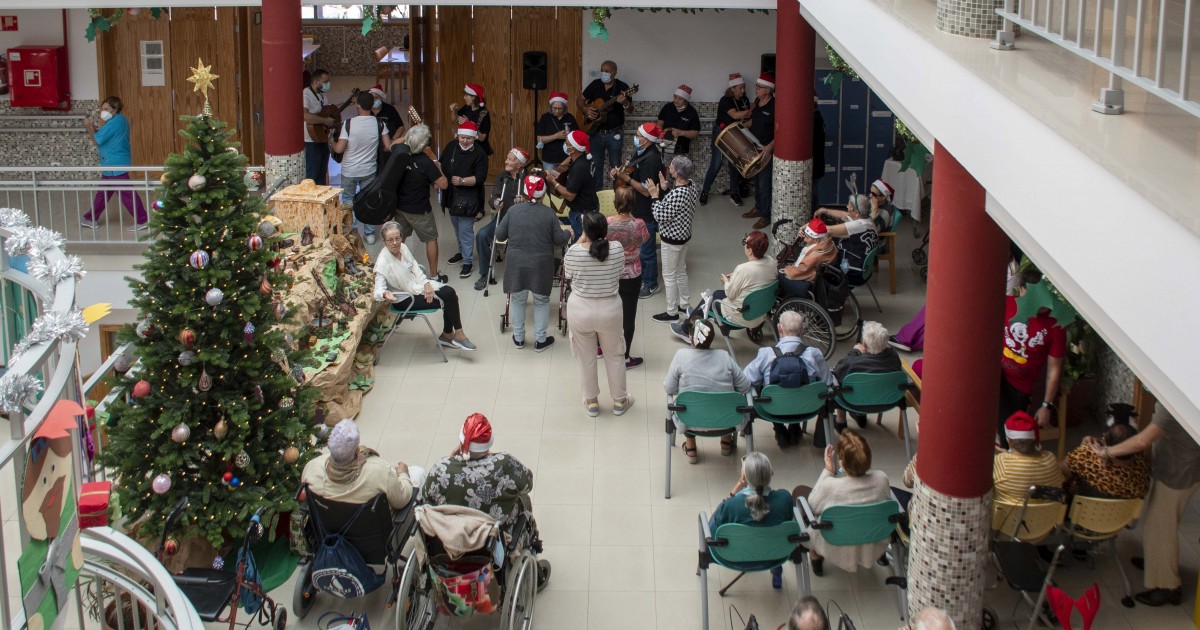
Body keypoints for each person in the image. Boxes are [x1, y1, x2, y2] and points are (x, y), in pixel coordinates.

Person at [423, 413, 551, 590]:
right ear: (489, 443)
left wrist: (453, 460)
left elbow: (426, 499)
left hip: (448, 537)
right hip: (489, 538)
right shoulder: (504, 464)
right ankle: (532, 552)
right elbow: (527, 484)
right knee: (523, 500)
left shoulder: (441, 468)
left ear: (461, 442)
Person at [1091, 403, 1200, 606]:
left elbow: (1142, 441)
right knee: (1158, 525)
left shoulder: (1172, 402)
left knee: (1159, 529)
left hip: (1178, 475)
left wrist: (1107, 452)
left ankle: (1168, 586)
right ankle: (1156, 563)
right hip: (1183, 466)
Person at [793, 430, 892, 575]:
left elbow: (813, 504)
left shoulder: (832, 487)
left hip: (833, 545)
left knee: (800, 492)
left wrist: (827, 471)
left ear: (841, 462)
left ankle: (815, 555)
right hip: (872, 541)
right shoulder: (882, 479)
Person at [564, 212, 632, 418]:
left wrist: (581, 240)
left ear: (585, 230)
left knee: (585, 357)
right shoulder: (618, 250)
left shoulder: (574, 252)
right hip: (610, 309)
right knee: (615, 356)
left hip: (580, 310)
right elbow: (620, 271)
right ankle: (620, 400)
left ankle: (591, 402)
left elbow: (568, 276)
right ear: (606, 230)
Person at [495, 174, 571, 352]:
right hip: (541, 264)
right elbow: (559, 239)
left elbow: (499, 235)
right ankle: (540, 340)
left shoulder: (513, 211)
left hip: (516, 264)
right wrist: (570, 234)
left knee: (518, 300)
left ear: (524, 193)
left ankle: (519, 338)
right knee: (541, 301)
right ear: (543, 195)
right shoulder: (549, 213)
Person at [373, 221, 476, 351]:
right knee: (448, 298)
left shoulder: (403, 248)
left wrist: (426, 283)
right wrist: (384, 293)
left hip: (417, 286)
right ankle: (454, 335)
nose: (395, 243)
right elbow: (378, 290)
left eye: (397, 238)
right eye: (390, 240)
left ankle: (449, 334)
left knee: (449, 292)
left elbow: (415, 267)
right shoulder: (383, 261)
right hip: (405, 299)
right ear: (384, 241)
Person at [664, 319, 752, 463]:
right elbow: (745, 386)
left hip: (690, 421)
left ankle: (691, 448)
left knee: (687, 403)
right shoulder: (724, 356)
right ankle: (725, 443)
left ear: (691, 338)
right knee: (721, 397)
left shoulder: (681, 356)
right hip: (727, 421)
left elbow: (669, 388)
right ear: (711, 339)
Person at [743, 310, 834, 448]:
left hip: (773, 409)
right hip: (807, 408)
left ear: (779, 328)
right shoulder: (814, 354)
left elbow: (746, 379)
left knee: (764, 386)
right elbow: (828, 382)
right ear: (802, 329)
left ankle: (779, 429)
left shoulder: (766, 354)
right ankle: (795, 426)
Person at [999, 268, 1066, 447]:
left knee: (1009, 434)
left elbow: (1054, 369)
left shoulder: (1055, 324)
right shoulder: (1007, 304)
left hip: (1019, 387)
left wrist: (1046, 406)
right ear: (1021, 290)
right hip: (996, 374)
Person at [710, 452, 795, 589]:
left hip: (733, 558)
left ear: (745, 477)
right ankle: (777, 571)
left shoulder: (731, 506)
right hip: (774, 556)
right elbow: (789, 519)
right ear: (771, 473)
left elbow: (718, 520)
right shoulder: (784, 498)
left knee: (712, 520)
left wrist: (737, 486)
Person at [672, 230, 776, 341]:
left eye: (745, 243)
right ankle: (695, 314)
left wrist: (726, 281)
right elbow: (755, 280)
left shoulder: (743, 269)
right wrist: (736, 276)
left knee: (711, 298)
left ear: (749, 250)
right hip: (760, 313)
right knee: (716, 295)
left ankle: (686, 330)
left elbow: (730, 294)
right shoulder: (771, 262)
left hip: (741, 317)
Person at [300, 419, 414, 510]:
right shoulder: (380, 472)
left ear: (330, 447)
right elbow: (402, 500)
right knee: (417, 472)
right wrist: (403, 474)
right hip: (373, 534)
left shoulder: (311, 468)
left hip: (329, 532)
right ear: (356, 451)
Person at [609, 123, 666, 299]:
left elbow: (647, 190)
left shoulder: (651, 159)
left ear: (647, 139)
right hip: (639, 207)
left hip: (648, 211)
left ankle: (651, 284)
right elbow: (633, 172)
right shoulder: (641, 152)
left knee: (647, 251)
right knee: (643, 248)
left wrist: (626, 179)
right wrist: (619, 173)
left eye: (638, 135)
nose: (635, 137)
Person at [332, 91, 393, 245]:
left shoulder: (349, 124)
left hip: (349, 171)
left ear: (357, 105)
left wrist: (330, 142)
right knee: (369, 201)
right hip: (369, 171)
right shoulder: (380, 124)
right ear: (372, 105)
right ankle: (370, 233)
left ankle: (352, 232)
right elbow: (388, 146)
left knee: (347, 200)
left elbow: (339, 149)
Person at [82, 96, 148, 231]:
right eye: (102, 109)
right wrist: (94, 129)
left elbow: (97, 140)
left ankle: (143, 219)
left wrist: (89, 127)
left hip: (114, 165)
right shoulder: (120, 120)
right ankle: (90, 218)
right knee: (103, 194)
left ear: (115, 109)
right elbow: (104, 136)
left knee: (127, 195)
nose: (103, 112)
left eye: (106, 109)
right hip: (112, 165)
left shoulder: (113, 122)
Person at [392, 124, 448, 283]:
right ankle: (434, 276)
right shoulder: (426, 162)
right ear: (424, 145)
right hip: (419, 209)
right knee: (431, 239)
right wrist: (438, 167)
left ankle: (396, 272)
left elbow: (393, 144)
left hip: (400, 207)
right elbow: (443, 184)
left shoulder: (400, 153)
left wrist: (408, 136)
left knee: (399, 239)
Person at [647, 156, 699, 324]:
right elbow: (675, 206)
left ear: (676, 173)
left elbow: (661, 216)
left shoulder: (678, 193)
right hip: (684, 237)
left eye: (671, 167)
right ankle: (684, 304)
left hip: (672, 239)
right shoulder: (692, 185)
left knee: (669, 276)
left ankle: (672, 312)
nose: (668, 167)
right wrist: (665, 189)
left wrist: (655, 196)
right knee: (681, 271)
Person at [605, 187, 649, 370]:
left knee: (608, 313)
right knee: (628, 316)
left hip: (610, 274)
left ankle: (602, 349)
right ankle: (625, 357)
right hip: (632, 275)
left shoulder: (607, 222)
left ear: (615, 203)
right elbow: (645, 240)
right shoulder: (639, 224)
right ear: (633, 204)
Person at [831, 321, 902, 431]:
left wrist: (854, 352)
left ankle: (841, 421)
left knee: (840, 383)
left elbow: (837, 372)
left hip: (853, 402)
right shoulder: (894, 358)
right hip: (887, 401)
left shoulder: (853, 363)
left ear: (864, 344)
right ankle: (860, 416)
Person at [440, 120, 489, 279]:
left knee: (466, 230)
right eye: (462, 137)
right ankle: (462, 253)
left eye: (468, 138)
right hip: (451, 195)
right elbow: (441, 165)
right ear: (458, 136)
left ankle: (468, 261)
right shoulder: (450, 147)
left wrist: (462, 181)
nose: (465, 141)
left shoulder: (480, 153)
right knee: (456, 226)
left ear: (474, 138)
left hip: (469, 198)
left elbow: (480, 178)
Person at [475, 147, 528, 291]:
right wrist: (495, 202)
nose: (506, 161)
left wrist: (526, 199)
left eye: (510, 159)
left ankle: (522, 275)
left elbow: (538, 200)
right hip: (503, 219)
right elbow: (493, 198)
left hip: (524, 223)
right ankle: (485, 274)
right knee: (482, 235)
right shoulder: (502, 177)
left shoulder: (528, 179)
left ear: (519, 164)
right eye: (507, 158)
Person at [579, 60, 634, 190]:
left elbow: (630, 109)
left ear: (614, 72)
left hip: (614, 134)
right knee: (596, 165)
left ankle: (617, 197)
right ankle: (597, 197)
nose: (603, 73)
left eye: (607, 71)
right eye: (602, 70)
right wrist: (586, 110)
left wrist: (625, 101)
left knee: (616, 166)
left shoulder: (623, 87)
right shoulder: (595, 84)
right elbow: (580, 100)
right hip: (596, 133)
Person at [700, 73, 752, 207]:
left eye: (743, 88)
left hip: (735, 132)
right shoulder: (725, 100)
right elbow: (735, 115)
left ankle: (735, 193)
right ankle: (705, 191)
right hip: (721, 132)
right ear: (732, 89)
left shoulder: (744, 100)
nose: (743, 91)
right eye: (740, 88)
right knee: (716, 163)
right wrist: (753, 111)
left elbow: (745, 120)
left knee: (735, 164)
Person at [1062, 422, 1149, 500]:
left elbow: (1062, 473)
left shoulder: (1087, 456)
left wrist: (1083, 447)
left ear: (1107, 443)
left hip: (1080, 509)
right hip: (1121, 515)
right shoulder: (1141, 463)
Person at [992, 411, 1063, 504]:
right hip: (1049, 516)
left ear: (1008, 439)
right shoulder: (1050, 459)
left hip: (1010, 518)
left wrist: (1001, 456)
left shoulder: (1001, 462)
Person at [816, 194, 880, 285]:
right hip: (863, 270)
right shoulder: (868, 220)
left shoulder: (858, 226)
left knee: (817, 266)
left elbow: (828, 230)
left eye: (849, 206)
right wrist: (825, 210)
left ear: (857, 213)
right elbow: (845, 215)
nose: (846, 207)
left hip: (853, 273)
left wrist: (807, 227)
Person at [546, 130, 599, 239]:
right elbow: (569, 160)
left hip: (581, 214)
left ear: (573, 148)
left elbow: (570, 196)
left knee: (581, 243)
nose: (565, 145)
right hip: (590, 208)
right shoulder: (587, 158)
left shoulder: (579, 167)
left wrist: (553, 182)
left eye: (567, 143)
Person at [744, 73, 777, 231]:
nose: (756, 89)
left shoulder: (776, 106)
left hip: (766, 151)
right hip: (754, 150)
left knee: (765, 184)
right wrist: (743, 125)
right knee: (756, 182)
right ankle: (758, 207)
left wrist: (770, 146)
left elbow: (782, 131)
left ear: (768, 90)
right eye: (756, 86)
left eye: (759, 87)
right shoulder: (757, 102)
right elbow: (754, 121)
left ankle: (766, 215)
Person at [779, 218, 838, 299]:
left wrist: (785, 269)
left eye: (807, 237)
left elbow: (796, 273)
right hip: (819, 275)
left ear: (816, 239)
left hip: (807, 282)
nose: (804, 239)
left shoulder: (814, 256)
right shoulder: (830, 244)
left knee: (778, 270)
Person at [302, 69, 335, 185]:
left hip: (322, 137)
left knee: (322, 173)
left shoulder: (322, 95)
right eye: (325, 81)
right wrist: (324, 120)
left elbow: (326, 111)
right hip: (311, 140)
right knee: (313, 175)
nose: (328, 84)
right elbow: (305, 116)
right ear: (316, 82)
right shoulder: (306, 94)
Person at [535, 91, 579, 171]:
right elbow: (539, 138)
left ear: (564, 108)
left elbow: (577, 136)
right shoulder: (545, 118)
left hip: (566, 158)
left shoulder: (570, 117)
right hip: (549, 159)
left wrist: (569, 137)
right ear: (550, 107)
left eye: (560, 108)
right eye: (554, 108)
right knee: (550, 181)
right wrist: (556, 136)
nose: (557, 111)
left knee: (566, 182)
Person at [656, 84, 701, 156]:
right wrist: (660, 132)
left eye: (680, 99)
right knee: (664, 166)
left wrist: (681, 133)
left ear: (686, 101)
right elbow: (660, 122)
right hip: (664, 146)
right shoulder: (667, 107)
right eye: (675, 97)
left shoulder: (691, 112)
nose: (676, 100)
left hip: (681, 149)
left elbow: (695, 132)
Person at [450, 83, 492, 156]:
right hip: (466, 149)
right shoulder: (467, 108)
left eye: (466, 95)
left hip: (479, 151)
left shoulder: (484, 113)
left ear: (473, 97)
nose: (464, 97)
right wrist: (453, 110)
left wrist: (469, 123)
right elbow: (454, 119)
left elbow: (482, 138)